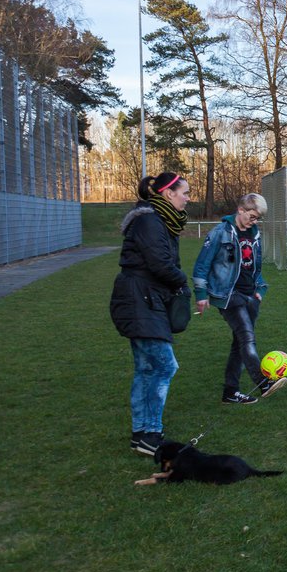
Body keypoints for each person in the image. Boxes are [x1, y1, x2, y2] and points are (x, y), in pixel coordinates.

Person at [109, 171, 192, 456]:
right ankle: (151, 433)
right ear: (168, 194)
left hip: (144, 298)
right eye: (185, 192)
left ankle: (141, 434)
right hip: (139, 299)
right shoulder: (149, 221)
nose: (188, 198)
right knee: (165, 366)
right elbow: (160, 264)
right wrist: (182, 281)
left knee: (146, 369)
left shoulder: (158, 221)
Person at [192, 193, 286, 405]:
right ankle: (263, 383)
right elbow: (202, 265)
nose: (254, 221)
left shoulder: (255, 234)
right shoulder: (220, 233)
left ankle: (230, 391)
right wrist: (201, 294)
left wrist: (259, 288)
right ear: (241, 210)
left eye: (258, 218)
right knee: (247, 337)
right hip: (227, 296)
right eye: (252, 216)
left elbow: (254, 266)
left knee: (239, 343)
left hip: (250, 295)